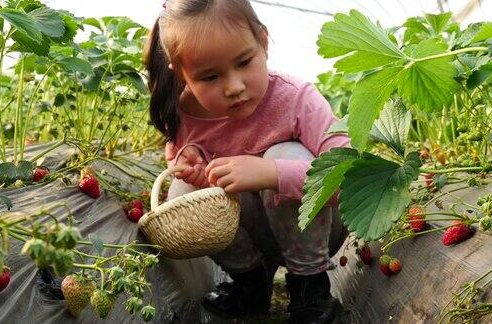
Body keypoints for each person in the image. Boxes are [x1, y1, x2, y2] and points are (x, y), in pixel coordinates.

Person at [143, 0, 350, 323]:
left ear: (263, 42)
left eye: (244, 62)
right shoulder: (183, 114)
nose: (234, 87)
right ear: (181, 73)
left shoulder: (296, 99)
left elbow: (348, 180)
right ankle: (250, 284)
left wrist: (271, 173)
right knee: (182, 191)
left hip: (316, 234)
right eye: (209, 77)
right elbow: (183, 166)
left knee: (285, 154)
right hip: (252, 239)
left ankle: (310, 289)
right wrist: (197, 171)